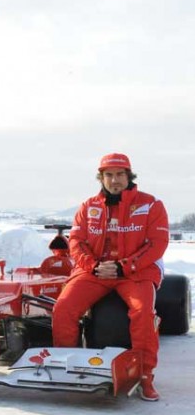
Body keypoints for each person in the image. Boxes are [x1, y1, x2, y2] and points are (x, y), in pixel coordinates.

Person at [52, 153, 169, 401]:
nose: (114, 180)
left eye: (119, 175)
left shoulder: (151, 205)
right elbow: (77, 242)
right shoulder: (88, 207)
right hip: (95, 271)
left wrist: (124, 266)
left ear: (129, 176)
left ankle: (145, 375)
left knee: (142, 313)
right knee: (63, 308)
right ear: (101, 178)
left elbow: (157, 244)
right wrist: (93, 266)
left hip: (136, 273)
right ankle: (67, 367)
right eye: (109, 175)